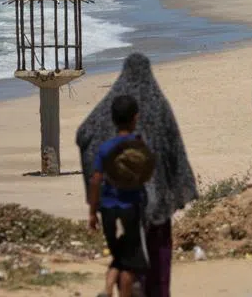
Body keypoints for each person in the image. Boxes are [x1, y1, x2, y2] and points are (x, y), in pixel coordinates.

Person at [77, 54, 198, 297]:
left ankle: (116, 288)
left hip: (116, 205)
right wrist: (175, 185)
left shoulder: (110, 107)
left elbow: (84, 133)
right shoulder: (158, 105)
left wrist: (95, 203)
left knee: (123, 255)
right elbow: (174, 148)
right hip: (153, 201)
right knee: (154, 252)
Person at [87, 94, 154, 297]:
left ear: (113, 119)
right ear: (135, 118)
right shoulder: (139, 145)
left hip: (107, 207)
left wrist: (92, 211)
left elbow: (96, 180)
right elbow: (148, 172)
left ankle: (108, 290)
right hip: (131, 206)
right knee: (129, 264)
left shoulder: (106, 148)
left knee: (118, 254)